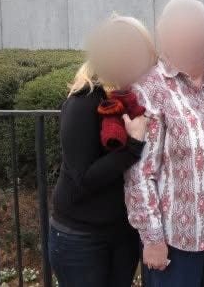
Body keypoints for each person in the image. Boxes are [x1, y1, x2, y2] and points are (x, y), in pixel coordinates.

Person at [124, 0, 204, 287]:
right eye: (181, 32)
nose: (191, 39)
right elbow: (139, 173)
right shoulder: (150, 90)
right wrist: (152, 238)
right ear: (165, 38)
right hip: (175, 242)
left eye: (198, 31)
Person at [49, 15, 157, 287]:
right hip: (81, 236)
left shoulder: (133, 99)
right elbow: (83, 178)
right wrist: (133, 146)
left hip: (122, 231)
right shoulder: (84, 101)